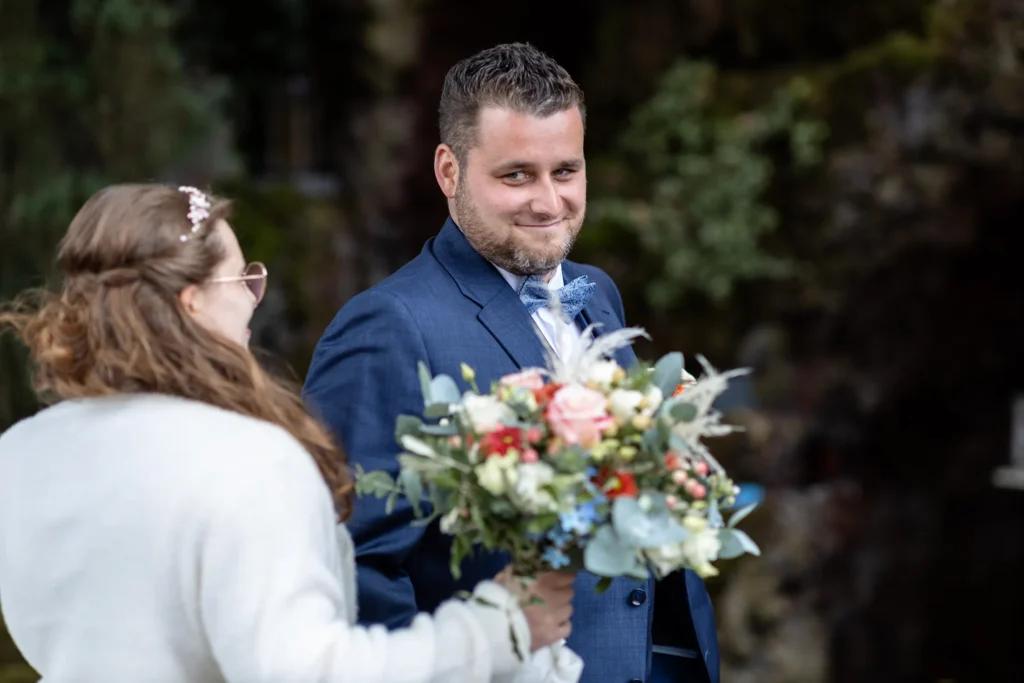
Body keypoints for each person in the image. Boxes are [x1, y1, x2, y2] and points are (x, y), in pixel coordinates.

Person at [0, 183, 577, 683]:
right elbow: (308, 672)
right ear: (192, 302)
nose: (255, 297)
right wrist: (499, 627)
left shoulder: (20, 451)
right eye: (243, 280)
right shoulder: (249, 459)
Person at [303, 43, 719, 683]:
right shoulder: (388, 326)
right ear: (448, 171)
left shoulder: (595, 291)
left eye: (566, 171)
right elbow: (353, 564)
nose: (549, 203)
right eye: (516, 175)